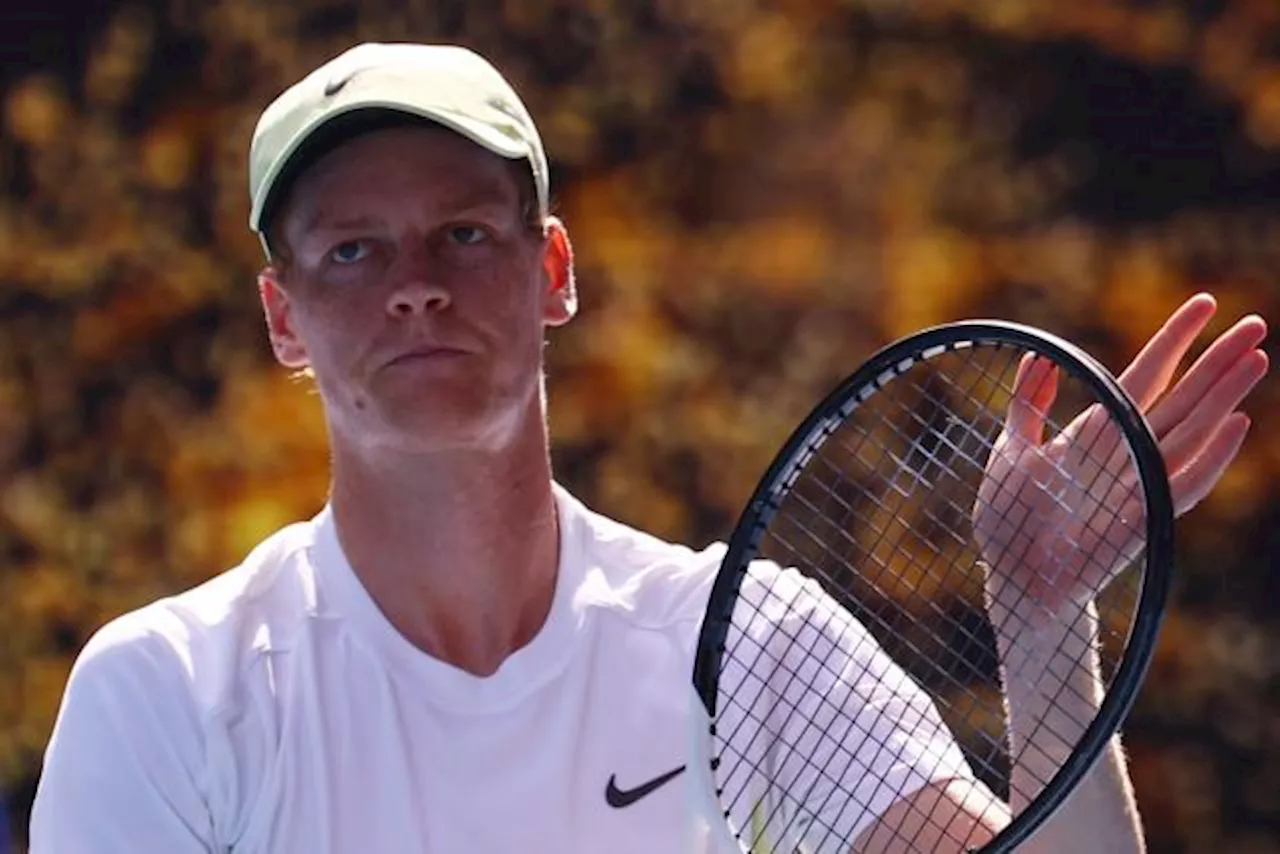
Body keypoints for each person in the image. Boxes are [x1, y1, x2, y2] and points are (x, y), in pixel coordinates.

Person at [28, 42, 1268, 853]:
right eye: (352, 249)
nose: (413, 286)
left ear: (551, 268)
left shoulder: (745, 645)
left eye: (462, 233)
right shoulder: (168, 692)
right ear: (283, 318)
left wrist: (1042, 621)